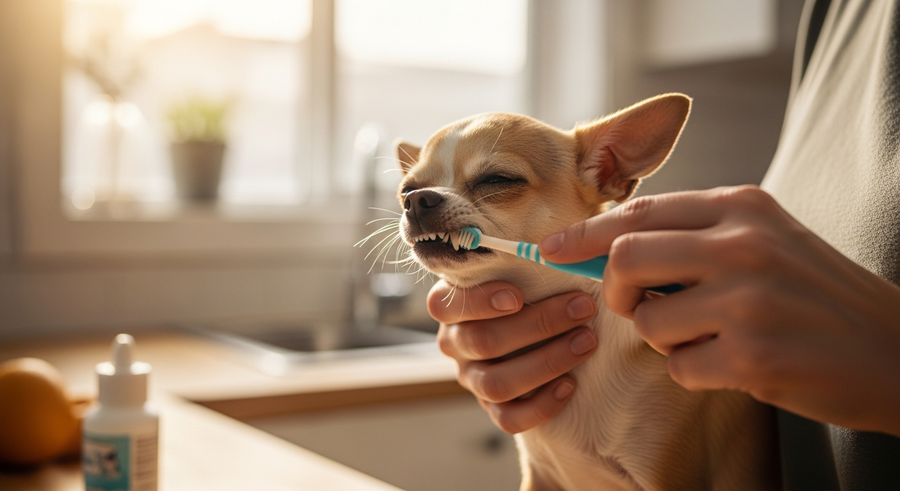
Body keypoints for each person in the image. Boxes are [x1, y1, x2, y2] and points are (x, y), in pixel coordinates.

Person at [429, 1, 900, 489]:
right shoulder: (832, 13)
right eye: (410, 193)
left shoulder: (661, 357)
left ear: (607, 171)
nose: (424, 202)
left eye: (497, 179)